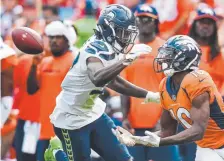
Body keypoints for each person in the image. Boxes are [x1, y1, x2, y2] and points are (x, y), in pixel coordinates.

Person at [44, 4, 159, 161]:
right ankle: (56, 154)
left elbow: (116, 82)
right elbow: (98, 77)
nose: (126, 37)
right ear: (109, 29)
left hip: (93, 112)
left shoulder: (108, 46)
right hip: (71, 118)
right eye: (122, 32)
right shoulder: (94, 49)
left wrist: (149, 95)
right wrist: (126, 61)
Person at [113, 35, 224, 161]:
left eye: (170, 54)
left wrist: (160, 142)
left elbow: (198, 131)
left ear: (184, 58)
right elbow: (167, 131)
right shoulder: (166, 85)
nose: (164, 58)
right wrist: (137, 140)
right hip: (207, 147)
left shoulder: (197, 80)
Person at [121, 4, 181, 161]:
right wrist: (125, 117)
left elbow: (173, 88)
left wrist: (165, 120)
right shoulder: (129, 49)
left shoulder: (166, 48)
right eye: (140, 19)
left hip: (161, 125)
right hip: (135, 124)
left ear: (156, 22)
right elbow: (124, 87)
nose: (144, 22)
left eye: (148, 19)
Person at [26, 20, 77, 161]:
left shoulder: (73, 62)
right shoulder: (44, 62)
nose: (54, 41)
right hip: (44, 131)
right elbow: (31, 89)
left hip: (66, 133)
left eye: (58, 37)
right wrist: (33, 65)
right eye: (51, 37)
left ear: (67, 40)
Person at [189, 6, 224, 95]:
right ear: (194, 24)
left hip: (213, 104)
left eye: (209, 23)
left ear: (214, 27)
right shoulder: (183, 49)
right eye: (202, 22)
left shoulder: (219, 54)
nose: (205, 26)